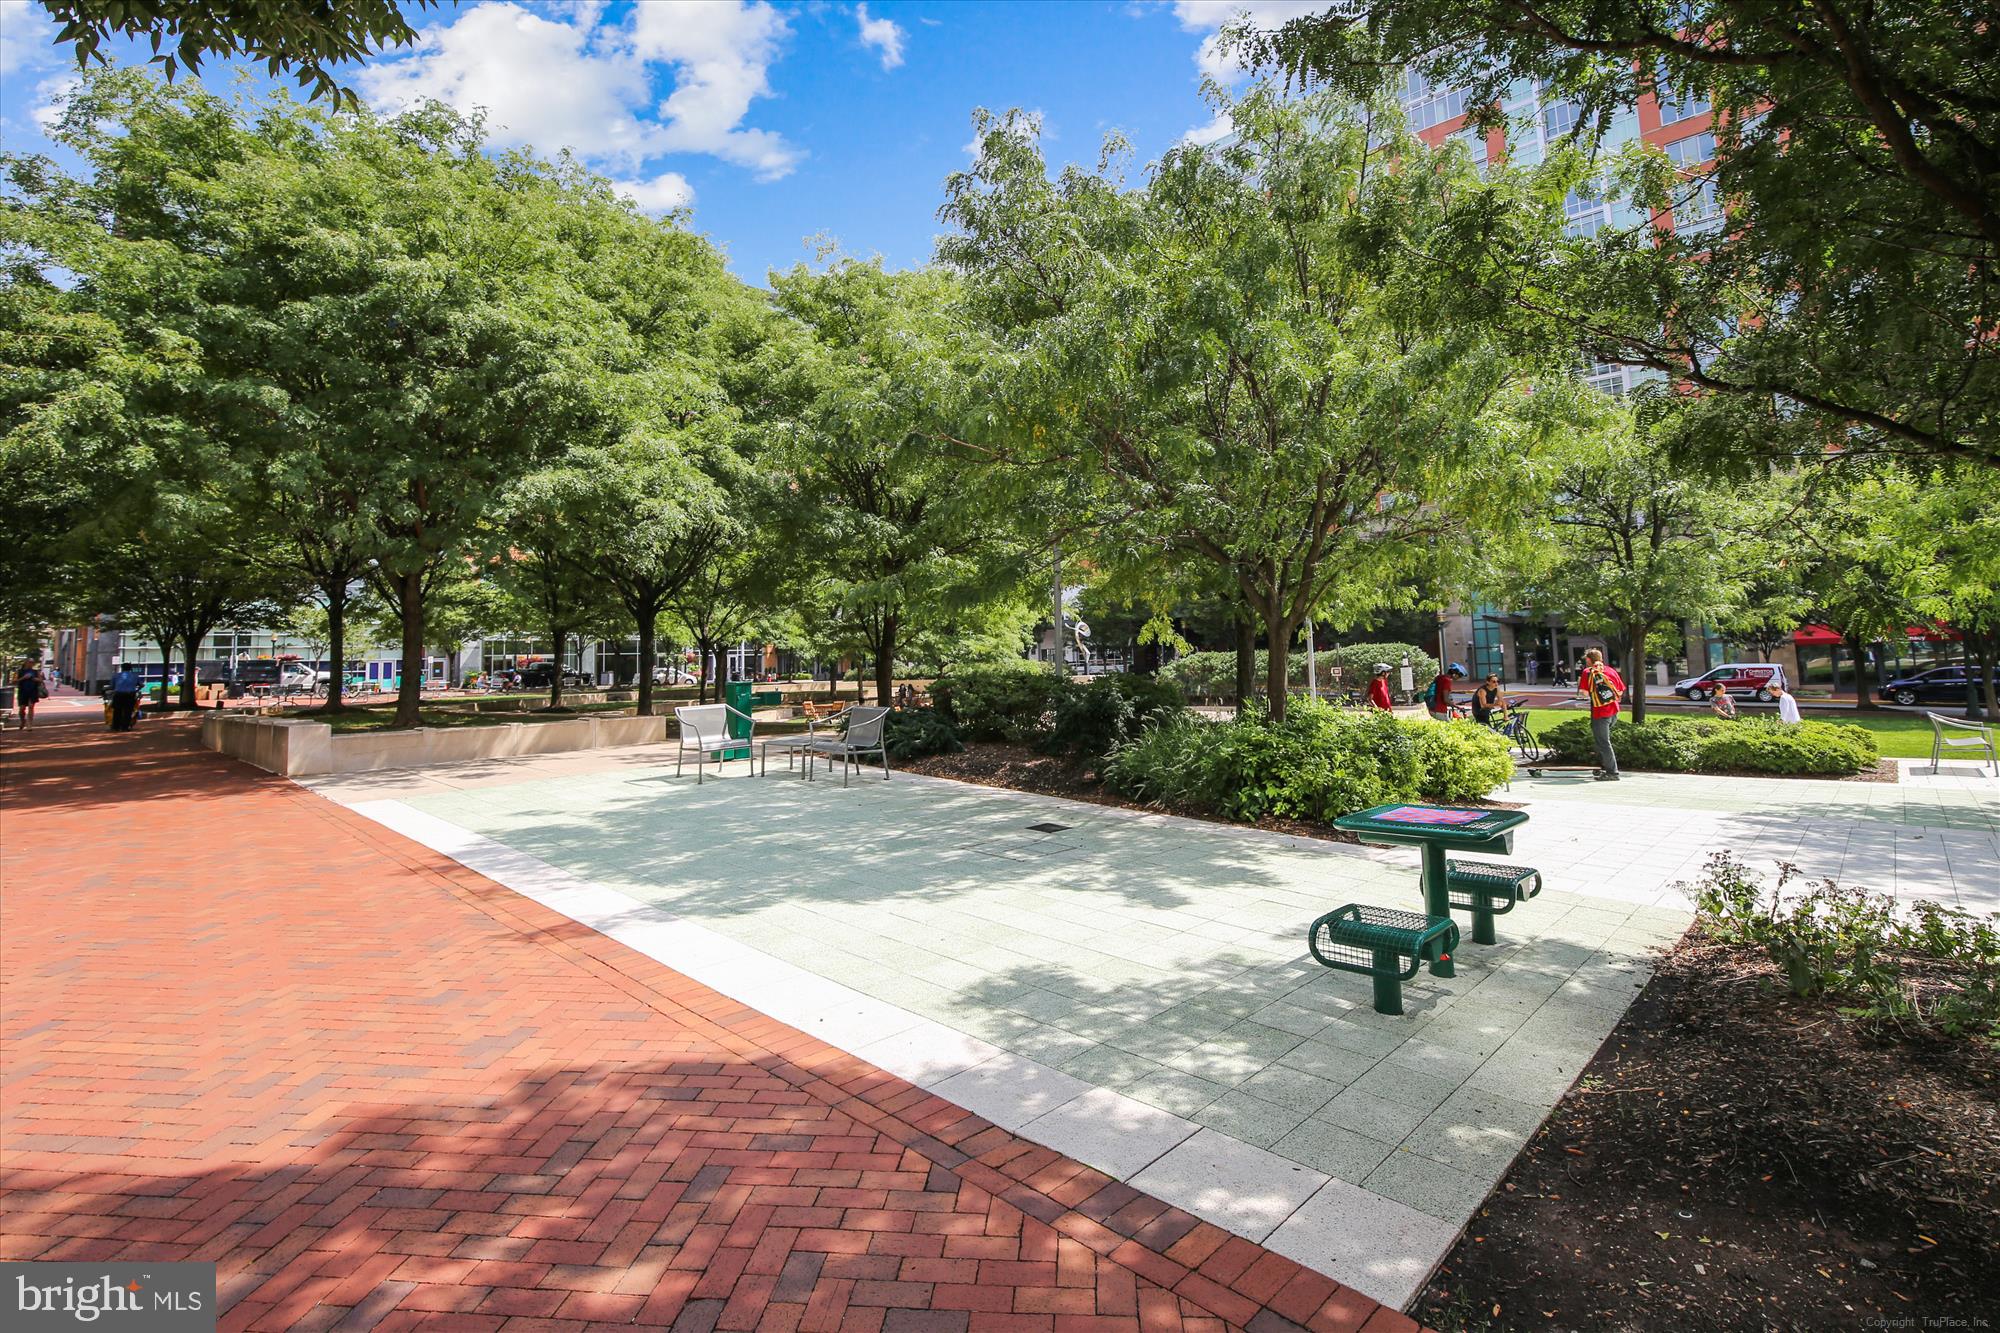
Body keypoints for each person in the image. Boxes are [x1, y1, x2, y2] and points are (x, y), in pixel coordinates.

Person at [1578, 647, 1624, 780]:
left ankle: (1612, 773)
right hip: (1614, 711)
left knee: (1603, 742)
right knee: (1601, 741)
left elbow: (1585, 693)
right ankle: (1602, 766)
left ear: (1588, 659)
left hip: (1599, 713)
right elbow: (1620, 691)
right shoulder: (1610, 670)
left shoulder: (1588, 672)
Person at [13, 658, 45, 729]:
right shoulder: (19, 671)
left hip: (33, 691)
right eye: (30, 662)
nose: (31, 664)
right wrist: (23, 678)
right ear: (26, 662)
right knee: (22, 708)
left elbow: (41, 680)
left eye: (32, 662)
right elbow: (14, 681)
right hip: (22, 691)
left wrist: (35, 679)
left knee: (31, 706)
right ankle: (22, 721)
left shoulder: (36, 671)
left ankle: (29, 724)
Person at [109, 663, 142, 731]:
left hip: (119, 695)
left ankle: (116, 727)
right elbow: (141, 685)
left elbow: (112, 686)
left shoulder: (116, 676)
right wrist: (136, 690)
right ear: (130, 668)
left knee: (117, 711)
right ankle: (125, 727)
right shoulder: (134, 676)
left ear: (122, 668)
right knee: (128, 711)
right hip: (130, 695)